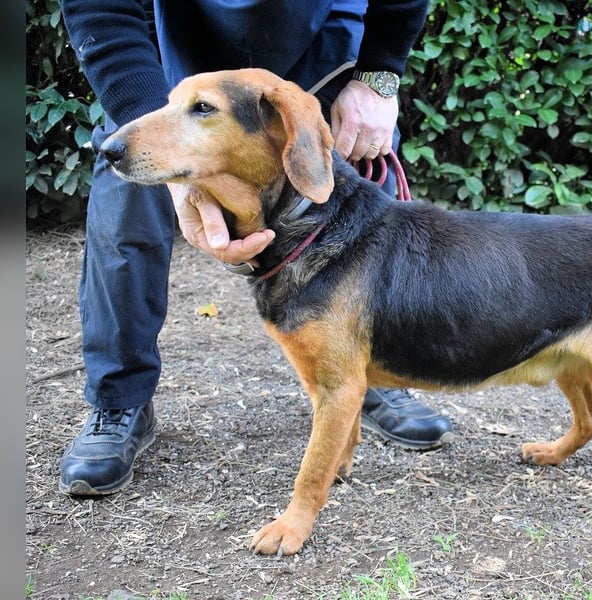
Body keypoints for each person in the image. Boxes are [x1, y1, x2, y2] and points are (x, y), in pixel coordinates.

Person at [58, 0, 453, 496]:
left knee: (359, 187)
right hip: (180, 47)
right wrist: (165, 150)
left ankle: (377, 376)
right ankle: (119, 398)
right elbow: (101, 7)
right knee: (126, 205)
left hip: (325, 46)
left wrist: (378, 76)